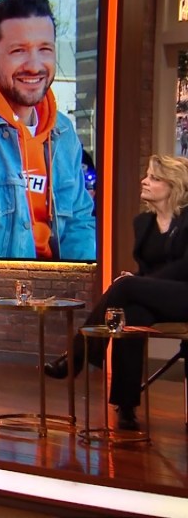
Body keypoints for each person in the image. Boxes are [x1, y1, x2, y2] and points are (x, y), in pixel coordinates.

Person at [0, 0, 95, 260]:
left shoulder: (63, 132)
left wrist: (76, 279)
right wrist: (21, 278)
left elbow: (80, 223)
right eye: (19, 51)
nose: (35, 66)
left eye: (45, 49)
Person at [45, 155, 188, 430]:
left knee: (124, 285)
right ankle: (126, 407)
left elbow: (184, 267)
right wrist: (139, 282)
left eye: (154, 178)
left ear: (173, 185)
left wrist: (138, 283)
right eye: (147, 175)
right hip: (155, 298)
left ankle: (77, 355)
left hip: (184, 296)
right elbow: (146, 269)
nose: (144, 181)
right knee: (130, 315)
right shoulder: (143, 223)